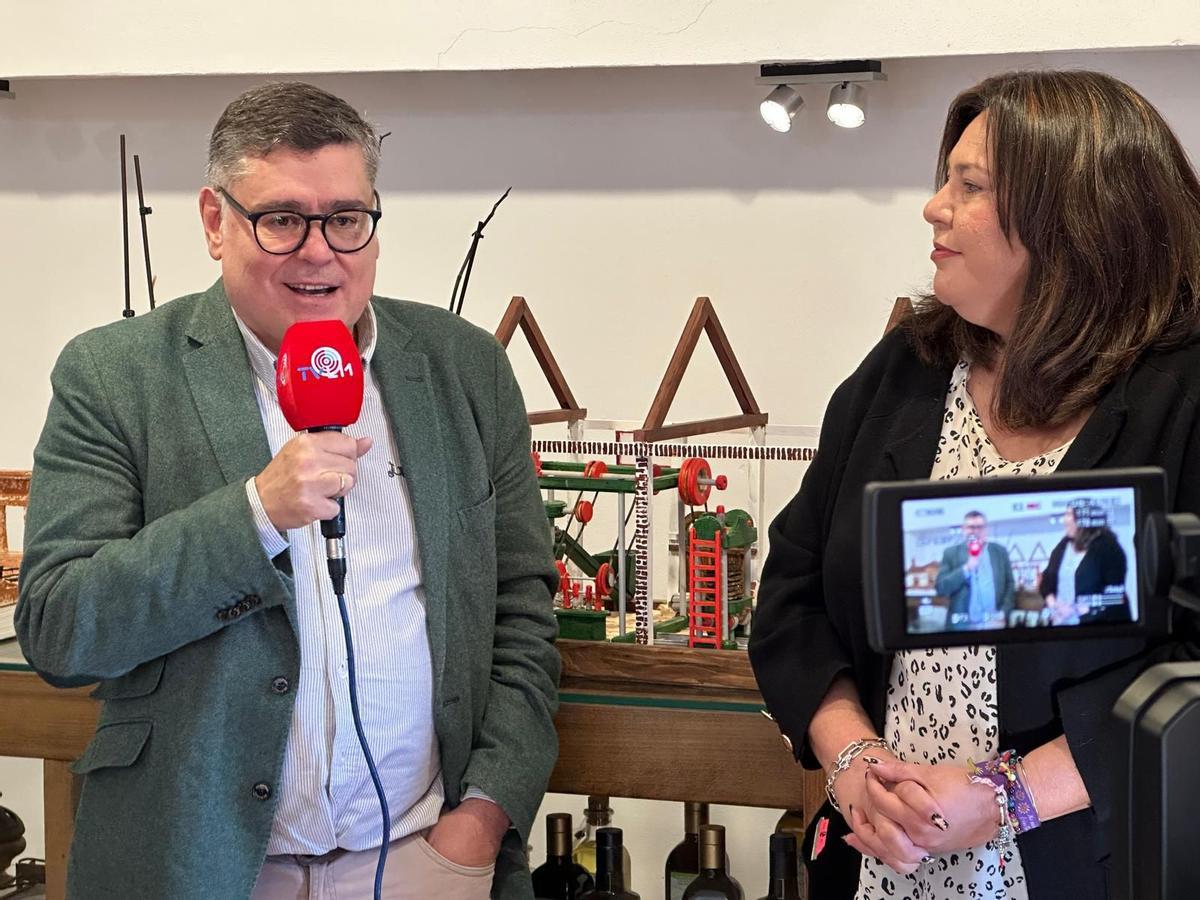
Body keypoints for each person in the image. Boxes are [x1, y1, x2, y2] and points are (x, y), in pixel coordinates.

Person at [15, 82, 560, 900]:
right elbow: (61, 627)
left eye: (346, 218)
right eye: (281, 220)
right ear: (213, 221)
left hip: (425, 856)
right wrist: (252, 516)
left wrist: (482, 816)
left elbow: (522, 605)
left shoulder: (463, 366)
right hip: (201, 866)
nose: (319, 252)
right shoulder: (115, 375)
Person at [748, 69, 1200, 900]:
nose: (934, 207)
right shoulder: (904, 374)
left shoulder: (1184, 397)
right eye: (945, 178)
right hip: (884, 871)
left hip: (1097, 867)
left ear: (1077, 219)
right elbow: (793, 595)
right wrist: (853, 760)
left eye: (972, 186)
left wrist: (1011, 794)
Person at [1040, 500, 1129, 626]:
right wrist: (1053, 605)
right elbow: (1046, 582)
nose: (1065, 520)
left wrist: (1073, 611)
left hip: (1097, 629)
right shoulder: (1063, 545)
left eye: (1069, 515)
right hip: (1060, 625)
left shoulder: (1109, 548)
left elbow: (1114, 596)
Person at [933, 511, 1015, 630]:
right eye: (971, 527)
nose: (975, 531)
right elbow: (941, 588)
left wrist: (1003, 614)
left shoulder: (999, 552)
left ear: (986, 530)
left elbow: (1010, 584)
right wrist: (966, 569)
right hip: (962, 626)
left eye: (980, 527)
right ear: (963, 529)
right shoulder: (951, 553)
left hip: (993, 624)